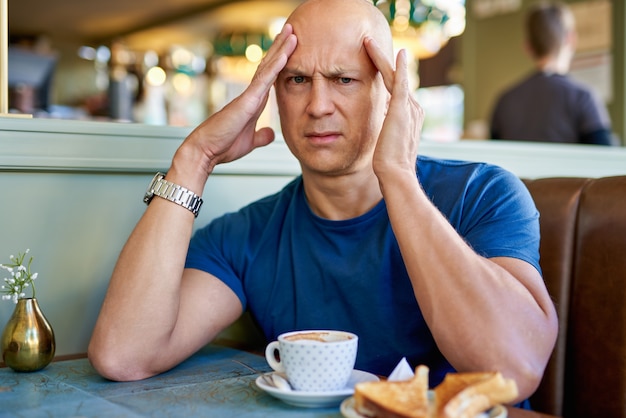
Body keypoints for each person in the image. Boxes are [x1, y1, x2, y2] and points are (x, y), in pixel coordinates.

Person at [88, 0, 558, 404]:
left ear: (388, 91)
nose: (317, 105)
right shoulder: (249, 235)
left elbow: (513, 368)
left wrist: (396, 175)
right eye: (296, 80)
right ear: (273, 91)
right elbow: (124, 355)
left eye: (343, 79)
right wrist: (194, 159)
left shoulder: (484, 193)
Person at [490, 0, 614, 145]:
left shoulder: (504, 101)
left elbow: (494, 161)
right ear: (571, 39)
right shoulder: (583, 98)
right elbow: (605, 160)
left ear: (528, 47)